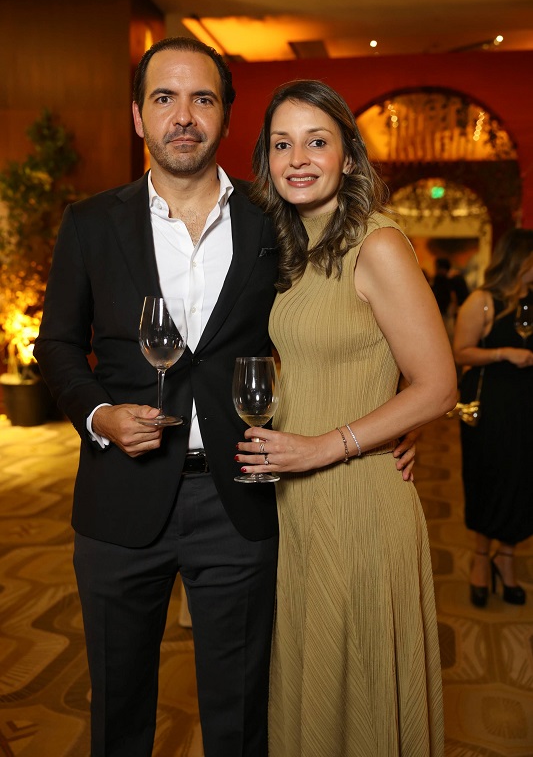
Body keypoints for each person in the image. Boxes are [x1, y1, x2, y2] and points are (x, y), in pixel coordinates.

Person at [33, 37, 281, 757]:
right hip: (120, 495)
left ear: (225, 115)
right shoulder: (90, 223)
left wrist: (383, 424)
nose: (183, 116)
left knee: (240, 718)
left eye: (202, 99)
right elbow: (56, 344)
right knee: (119, 712)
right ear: (138, 117)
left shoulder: (270, 221)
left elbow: (325, 332)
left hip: (238, 497)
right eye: (164, 98)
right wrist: (98, 414)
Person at [236, 80, 457, 756]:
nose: (298, 159)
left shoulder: (376, 243)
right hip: (299, 500)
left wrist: (326, 446)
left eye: (316, 141)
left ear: (349, 158)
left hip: (357, 499)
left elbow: (438, 386)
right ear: (267, 160)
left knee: (358, 689)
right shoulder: (293, 246)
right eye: (282, 144)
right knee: (316, 687)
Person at [453, 228, 533, 608]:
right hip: (489, 406)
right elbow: (460, 352)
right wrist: (503, 353)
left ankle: (507, 558)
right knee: (488, 479)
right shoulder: (483, 301)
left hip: (525, 405)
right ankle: (481, 559)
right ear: (520, 260)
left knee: (522, 482)